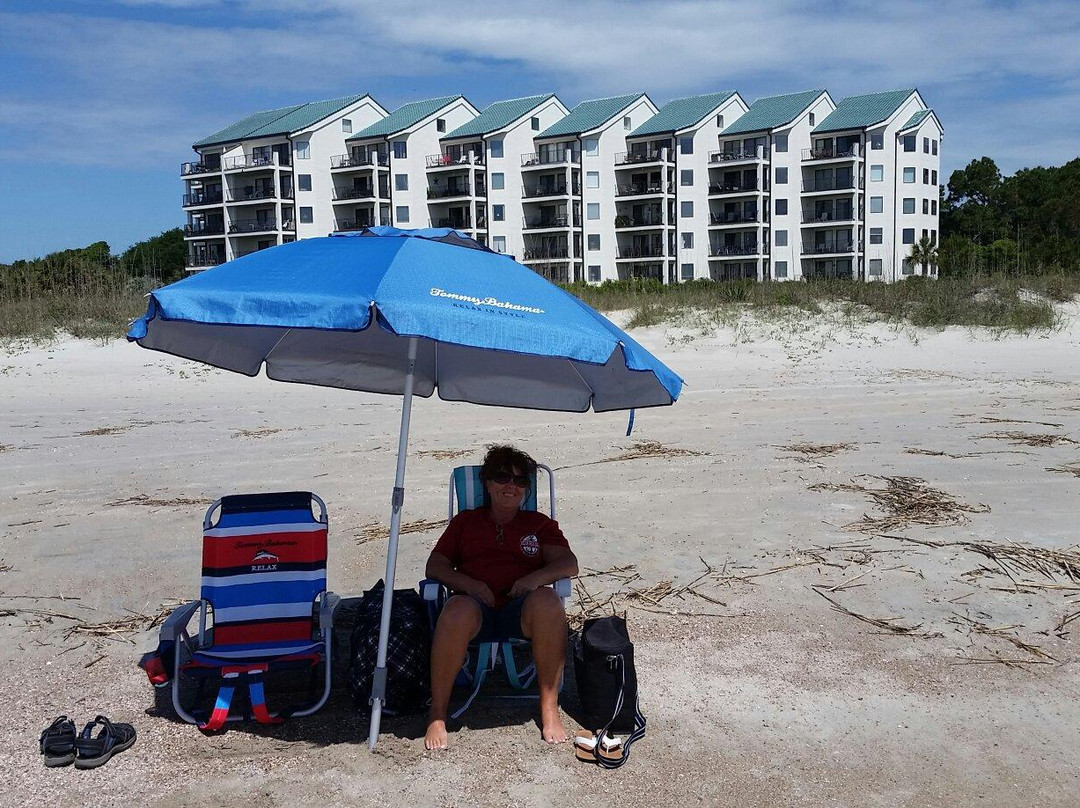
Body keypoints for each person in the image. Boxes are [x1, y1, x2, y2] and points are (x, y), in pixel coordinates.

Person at [424, 445, 579, 750]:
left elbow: (568, 563)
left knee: (548, 601)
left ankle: (548, 707)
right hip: (474, 611)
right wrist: (469, 584)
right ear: (488, 483)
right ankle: (437, 712)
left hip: (520, 612)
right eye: (503, 477)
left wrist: (533, 579)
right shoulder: (466, 522)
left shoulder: (538, 525)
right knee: (455, 610)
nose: (512, 486)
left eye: (521, 481)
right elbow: (435, 566)